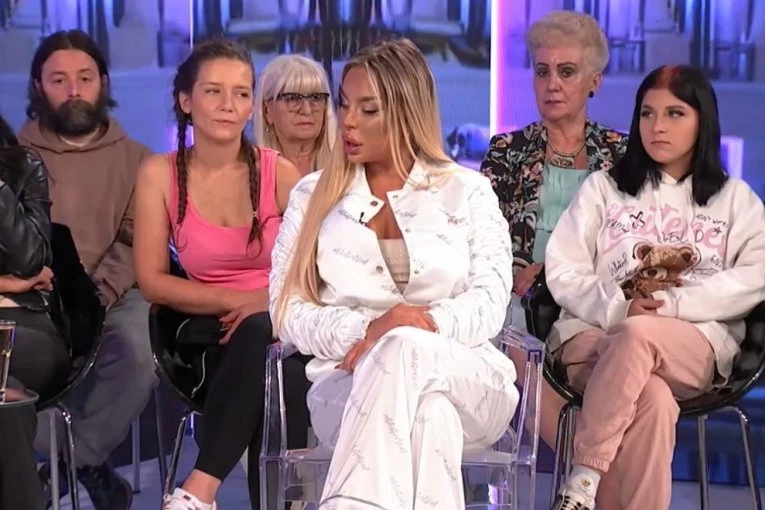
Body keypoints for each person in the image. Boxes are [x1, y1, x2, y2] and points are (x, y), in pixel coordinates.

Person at [270, 38, 519, 510]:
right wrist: (368, 328)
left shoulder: (468, 191)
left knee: (404, 347)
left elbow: (489, 301)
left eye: (368, 110)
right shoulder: (312, 196)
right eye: (344, 104)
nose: (347, 121)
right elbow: (287, 311)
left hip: (467, 379)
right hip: (347, 386)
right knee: (430, 417)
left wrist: (404, 329)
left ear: (407, 112)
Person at [545, 65, 765, 510]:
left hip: (693, 345)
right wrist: (617, 309)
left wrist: (673, 305)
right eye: (647, 113)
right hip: (593, 335)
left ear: (703, 120)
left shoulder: (735, 199)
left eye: (674, 113)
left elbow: (755, 275)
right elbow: (563, 269)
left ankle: (583, 477)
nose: (657, 126)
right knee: (655, 399)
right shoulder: (604, 189)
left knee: (639, 334)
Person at [133, 39, 308, 510]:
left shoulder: (280, 174)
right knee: (276, 369)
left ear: (252, 106)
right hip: (209, 334)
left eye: (241, 93)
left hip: (281, 323)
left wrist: (265, 304)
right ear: (186, 101)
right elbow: (151, 280)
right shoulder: (159, 174)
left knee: (274, 352)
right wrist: (240, 302)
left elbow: (315, 268)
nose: (229, 105)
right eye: (213, 91)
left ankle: (199, 489)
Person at [17, 29, 155, 509]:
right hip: (32, 294)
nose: (73, 90)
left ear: (103, 83)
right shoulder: (13, 157)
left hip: (113, 294)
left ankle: (64, 465)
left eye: (85, 78)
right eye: (59, 80)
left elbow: (136, 240)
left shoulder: (140, 160)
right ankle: (85, 463)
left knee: (139, 351)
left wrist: (97, 296)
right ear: (38, 86)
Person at [480, 10, 627, 450]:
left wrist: (555, 273)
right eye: (543, 71)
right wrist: (518, 271)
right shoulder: (507, 151)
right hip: (520, 297)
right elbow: (483, 237)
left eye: (567, 72)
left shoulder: (622, 156)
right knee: (508, 330)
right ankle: (580, 458)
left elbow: (630, 245)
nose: (552, 84)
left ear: (594, 82)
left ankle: (584, 465)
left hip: (591, 295)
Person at [0, 113, 69, 510]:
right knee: (4, 398)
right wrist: (6, 283)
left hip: (25, 326)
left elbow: (31, 260)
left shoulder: (22, 167)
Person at [255, 54, 336, 175]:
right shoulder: (250, 173)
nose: (307, 110)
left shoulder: (347, 170)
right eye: (292, 98)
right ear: (267, 111)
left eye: (315, 97)